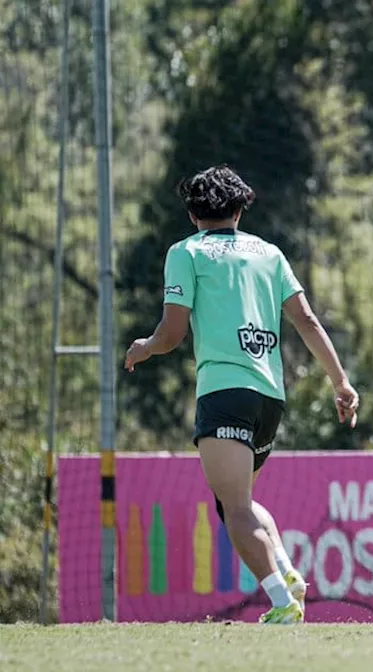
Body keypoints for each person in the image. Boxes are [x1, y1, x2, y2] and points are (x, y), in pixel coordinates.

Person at [124, 165, 360, 625]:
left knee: (233, 507)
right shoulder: (269, 252)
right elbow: (307, 321)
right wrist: (341, 382)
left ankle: (281, 604)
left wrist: (145, 347)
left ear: (193, 212)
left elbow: (172, 334)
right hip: (270, 398)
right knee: (238, 500)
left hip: (225, 390)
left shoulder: (186, 252)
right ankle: (288, 574)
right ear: (238, 208)